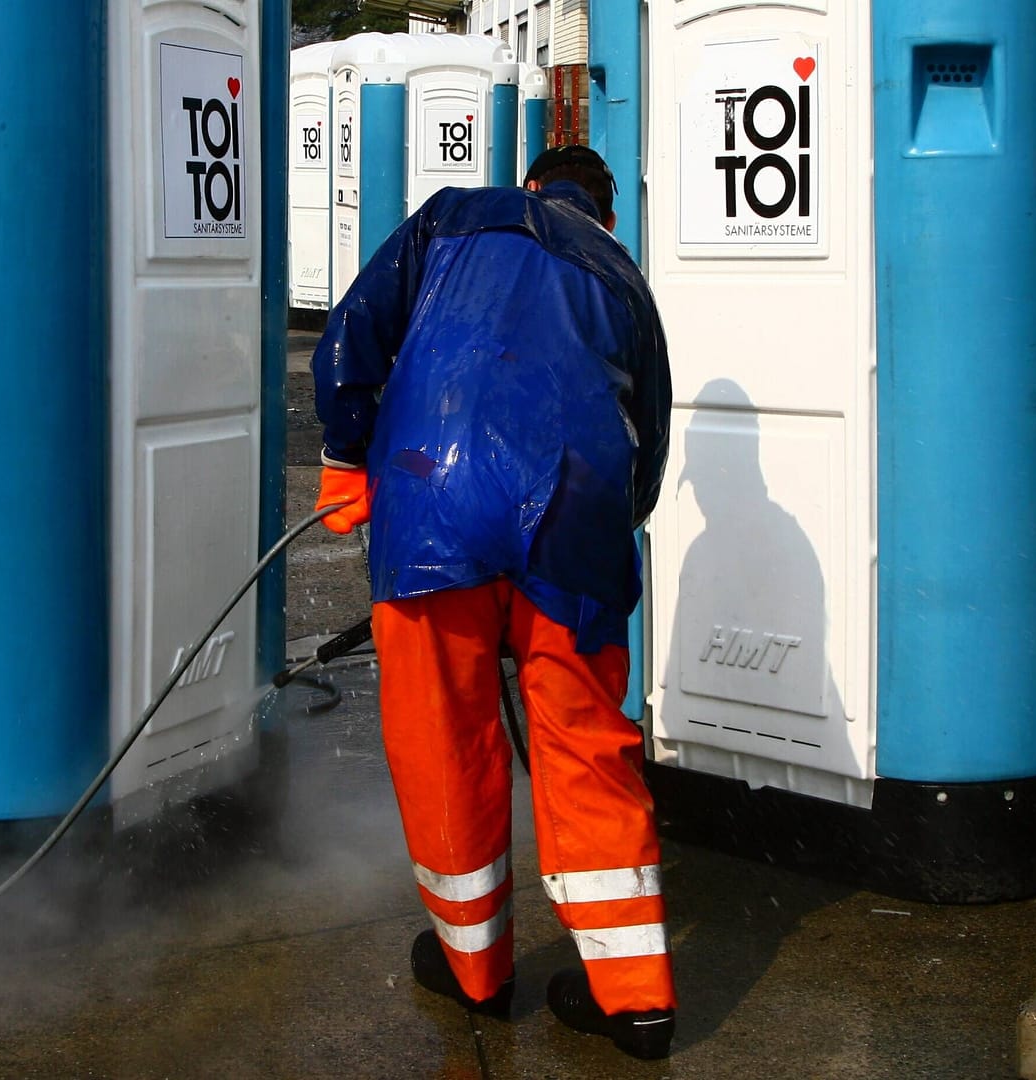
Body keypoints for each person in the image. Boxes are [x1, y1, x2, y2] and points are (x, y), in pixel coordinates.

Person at [308, 145, 676, 1060]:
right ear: (609, 216)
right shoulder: (625, 280)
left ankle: (475, 967)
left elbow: (355, 329)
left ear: (530, 190)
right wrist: (589, 543)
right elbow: (649, 455)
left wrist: (346, 456)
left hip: (435, 501)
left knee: (444, 736)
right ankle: (637, 1000)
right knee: (587, 748)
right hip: (577, 522)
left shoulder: (456, 215)